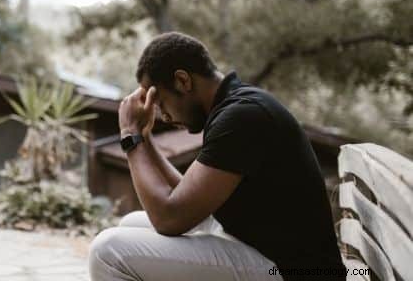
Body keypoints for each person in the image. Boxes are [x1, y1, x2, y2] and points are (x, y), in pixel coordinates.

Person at [89, 32, 346, 281]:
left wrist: (129, 135)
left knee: (107, 250)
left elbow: (169, 219)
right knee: (130, 223)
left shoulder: (242, 117)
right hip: (261, 249)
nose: (163, 116)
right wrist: (143, 138)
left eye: (161, 103)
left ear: (182, 81)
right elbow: (186, 198)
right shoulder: (234, 107)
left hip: (291, 269)